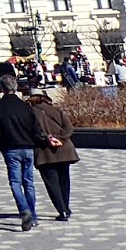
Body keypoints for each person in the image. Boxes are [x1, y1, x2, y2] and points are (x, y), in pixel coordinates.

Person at [0, 75, 44, 231]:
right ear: (15, 87)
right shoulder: (25, 106)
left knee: (15, 182)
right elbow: (35, 128)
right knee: (29, 182)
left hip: (10, 148)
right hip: (28, 147)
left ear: (2, 88)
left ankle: (24, 210)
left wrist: (0, 146)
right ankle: (33, 215)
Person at [29, 88, 78, 221]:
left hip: (45, 152)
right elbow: (69, 128)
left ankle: (61, 210)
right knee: (64, 181)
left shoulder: (31, 112)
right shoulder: (57, 110)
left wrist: (49, 139)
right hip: (64, 150)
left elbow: (35, 132)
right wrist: (60, 138)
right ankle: (66, 207)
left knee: (52, 184)